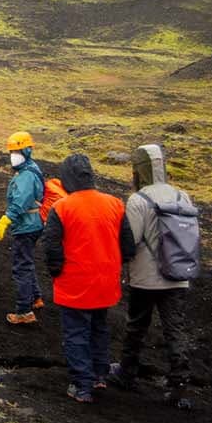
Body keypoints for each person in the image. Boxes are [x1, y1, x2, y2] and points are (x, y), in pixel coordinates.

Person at [108, 144, 196, 409]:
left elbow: (131, 240)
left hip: (146, 278)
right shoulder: (182, 196)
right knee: (175, 329)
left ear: (139, 170)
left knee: (136, 326)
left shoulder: (138, 200)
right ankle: (179, 386)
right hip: (178, 273)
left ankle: (126, 372)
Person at [42, 154, 135, 403]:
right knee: (99, 328)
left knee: (76, 333)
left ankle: (82, 385)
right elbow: (128, 245)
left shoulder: (62, 207)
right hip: (105, 282)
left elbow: (51, 246)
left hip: (75, 283)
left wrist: (56, 270)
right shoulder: (115, 203)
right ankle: (99, 375)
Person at [0, 131, 46, 324]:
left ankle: (24, 312)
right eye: (12, 152)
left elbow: (21, 201)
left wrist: (6, 220)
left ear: (27, 151)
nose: (13, 156)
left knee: (21, 266)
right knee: (26, 261)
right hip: (33, 223)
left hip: (27, 225)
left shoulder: (26, 175)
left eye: (17, 151)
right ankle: (35, 297)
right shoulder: (30, 169)